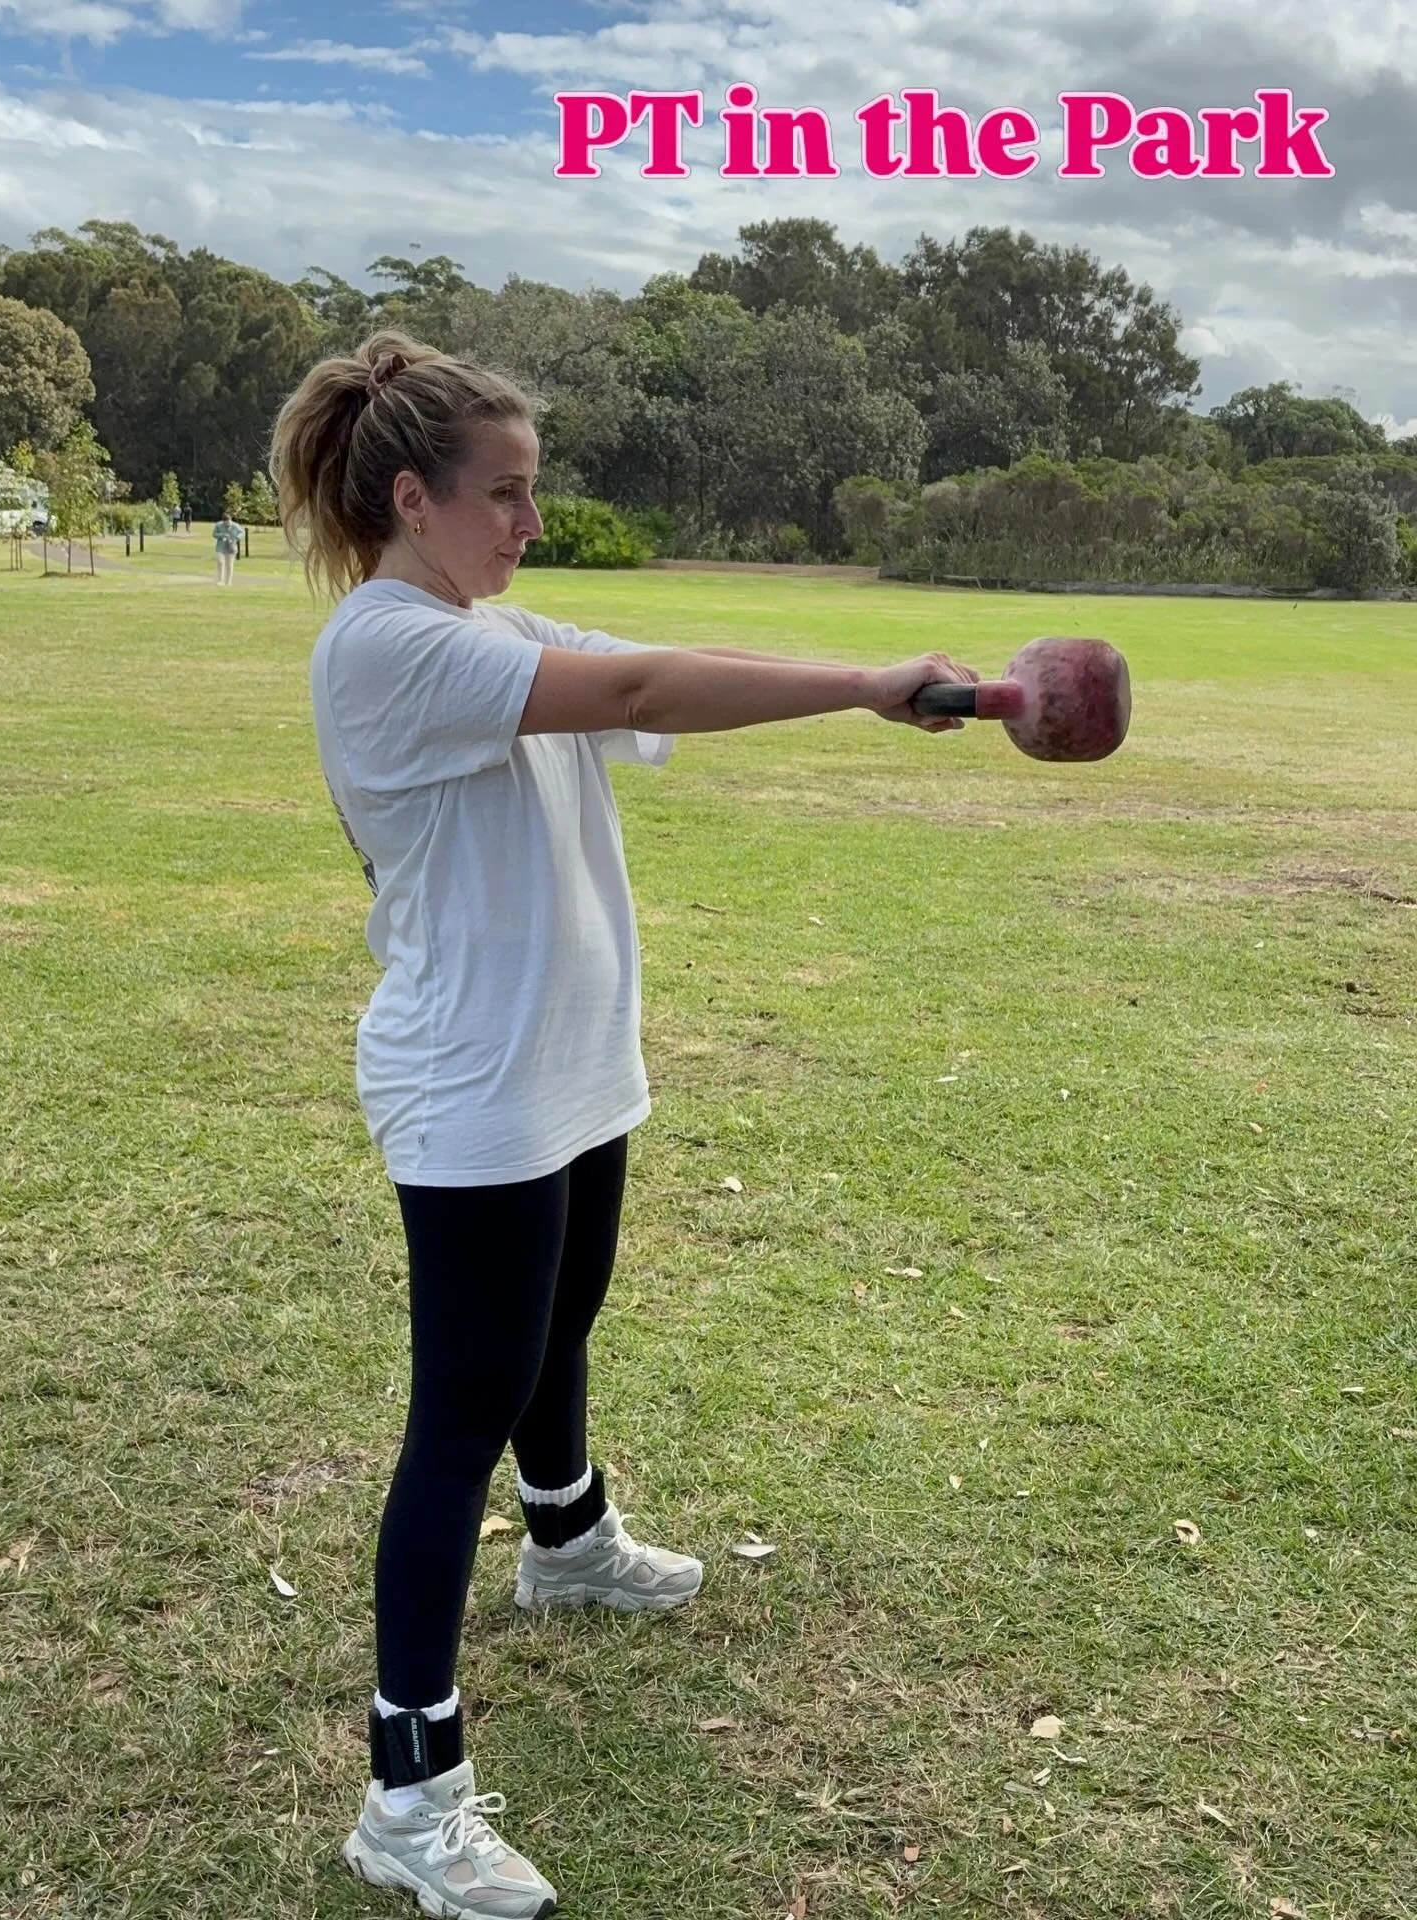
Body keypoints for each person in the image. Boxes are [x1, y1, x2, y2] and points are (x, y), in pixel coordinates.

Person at [267, 327, 978, 1919]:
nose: (530, 521)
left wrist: (875, 685)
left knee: (562, 1323)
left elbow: (651, 667)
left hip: (567, 1062)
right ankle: (407, 1785)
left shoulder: (485, 625)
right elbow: (646, 686)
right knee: (460, 1419)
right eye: (507, 495)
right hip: (472, 1086)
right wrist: (875, 685)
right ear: (412, 496)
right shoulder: (391, 648)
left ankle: (571, 1539)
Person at [213, 511, 243, 585]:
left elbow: (242, 533)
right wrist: (222, 535)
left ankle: (228, 581)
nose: (227, 524)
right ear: (223, 521)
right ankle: (220, 580)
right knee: (220, 562)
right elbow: (214, 534)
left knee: (229, 564)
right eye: (225, 523)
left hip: (231, 547)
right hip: (220, 547)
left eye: (228, 522)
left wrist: (236, 538)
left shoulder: (235, 526)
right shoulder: (218, 525)